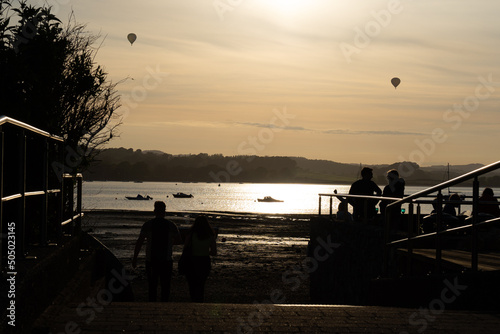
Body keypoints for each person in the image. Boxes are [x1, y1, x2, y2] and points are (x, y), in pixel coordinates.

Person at [132, 201, 182, 302]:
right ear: (164, 211)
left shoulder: (148, 225)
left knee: (152, 285)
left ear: (154, 211)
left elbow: (140, 242)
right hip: (166, 260)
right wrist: (169, 243)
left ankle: (152, 306)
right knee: (165, 286)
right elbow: (179, 240)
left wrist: (135, 257)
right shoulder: (171, 225)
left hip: (151, 260)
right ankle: (164, 305)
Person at [183, 215, 217, 302]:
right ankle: (199, 301)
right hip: (204, 261)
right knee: (201, 284)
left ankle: (193, 300)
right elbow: (214, 252)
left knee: (192, 284)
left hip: (192, 261)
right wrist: (205, 251)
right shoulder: (210, 235)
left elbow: (185, 248)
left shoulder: (191, 234)